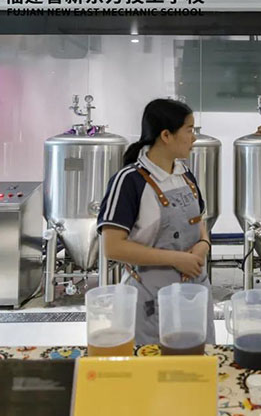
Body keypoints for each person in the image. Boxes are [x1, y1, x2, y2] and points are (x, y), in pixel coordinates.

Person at [97, 98, 216, 346]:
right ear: (166, 135)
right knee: (156, 366)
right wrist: (176, 259)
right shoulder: (129, 181)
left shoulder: (185, 175)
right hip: (152, 299)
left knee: (198, 363)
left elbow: (199, 221)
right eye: (189, 130)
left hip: (194, 293)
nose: (194, 138)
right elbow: (112, 247)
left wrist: (203, 244)